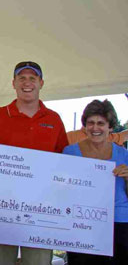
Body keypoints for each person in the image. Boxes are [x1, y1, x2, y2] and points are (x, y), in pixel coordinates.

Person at [0, 61, 68, 265]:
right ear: (13, 83)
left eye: (32, 78)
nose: (27, 83)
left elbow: (65, 160)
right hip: (0, 208)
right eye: (22, 78)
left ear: (41, 83)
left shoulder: (54, 119)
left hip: (41, 209)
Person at [63, 100, 128, 265]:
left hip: (119, 222)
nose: (95, 128)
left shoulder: (123, 154)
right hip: (82, 222)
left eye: (101, 123)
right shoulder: (70, 153)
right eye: (90, 123)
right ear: (84, 126)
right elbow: (61, 190)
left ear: (110, 127)